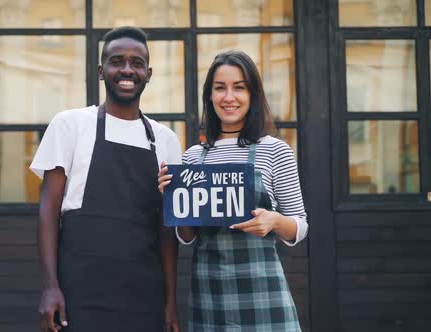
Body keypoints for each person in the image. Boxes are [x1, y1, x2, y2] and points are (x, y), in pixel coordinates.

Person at [30, 26, 182, 332]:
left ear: (148, 73)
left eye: (137, 63)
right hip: (80, 292)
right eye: (117, 61)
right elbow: (48, 209)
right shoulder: (70, 125)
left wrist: (170, 302)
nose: (127, 70)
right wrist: (50, 286)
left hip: (144, 295)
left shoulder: (166, 140)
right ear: (101, 70)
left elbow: (168, 230)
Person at [158, 50, 308, 331]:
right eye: (220, 88)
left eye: (239, 87)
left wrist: (274, 221)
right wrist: (172, 196)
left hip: (264, 296)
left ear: (253, 95)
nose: (229, 97)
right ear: (210, 96)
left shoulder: (275, 151)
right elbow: (187, 238)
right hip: (209, 296)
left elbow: (299, 227)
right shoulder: (193, 157)